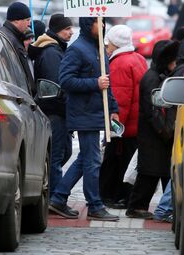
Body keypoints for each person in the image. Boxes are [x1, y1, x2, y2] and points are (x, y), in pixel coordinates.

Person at [49, 17, 120, 221]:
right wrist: (94, 83)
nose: (104, 25)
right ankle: (95, 205)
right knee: (92, 160)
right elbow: (65, 80)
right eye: (100, 22)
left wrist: (113, 108)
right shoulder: (77, 49)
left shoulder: (99, 49)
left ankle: (58, 198)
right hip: (83, 112)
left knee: (85, 159)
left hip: (96, 112)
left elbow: (108, 83)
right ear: (90, 25)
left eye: (104, 22)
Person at [126, 40, 179, 219]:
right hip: (153, 134)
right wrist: (165, 131)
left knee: (157, 170)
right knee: (149, 172)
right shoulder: (152, 78)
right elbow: (152, 110)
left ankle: (146, 206)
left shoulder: (156, 75)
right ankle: (137, 207)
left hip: (155, 133)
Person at [100, 25, 148, 209]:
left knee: (117, 162)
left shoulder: (119, 63)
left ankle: (112, 196)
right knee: (128, 162)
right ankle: (125, 196)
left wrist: (114, 129)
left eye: (109, 44)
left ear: (115, 44)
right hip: (136, 123)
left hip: (124, 125)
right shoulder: (138, 58)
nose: (107, 47)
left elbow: (120, 101)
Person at [28, 14, 75, 196]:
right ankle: (55, 197)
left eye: (70, 28)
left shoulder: (56, 49)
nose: (71, 32)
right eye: (67, 29)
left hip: (59, 112)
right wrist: (66, 107)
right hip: (55, 112)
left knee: (63, 153)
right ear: (56, 31)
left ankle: (51, 193)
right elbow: (56, 87)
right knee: (56, 155)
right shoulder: (51, 53)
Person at [0, 2, 36, 95]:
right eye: (27, 20)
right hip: (15, 94)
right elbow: (3, 67)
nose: (29, 24)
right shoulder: (6, 38)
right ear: (16, 20)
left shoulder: (15, 37)